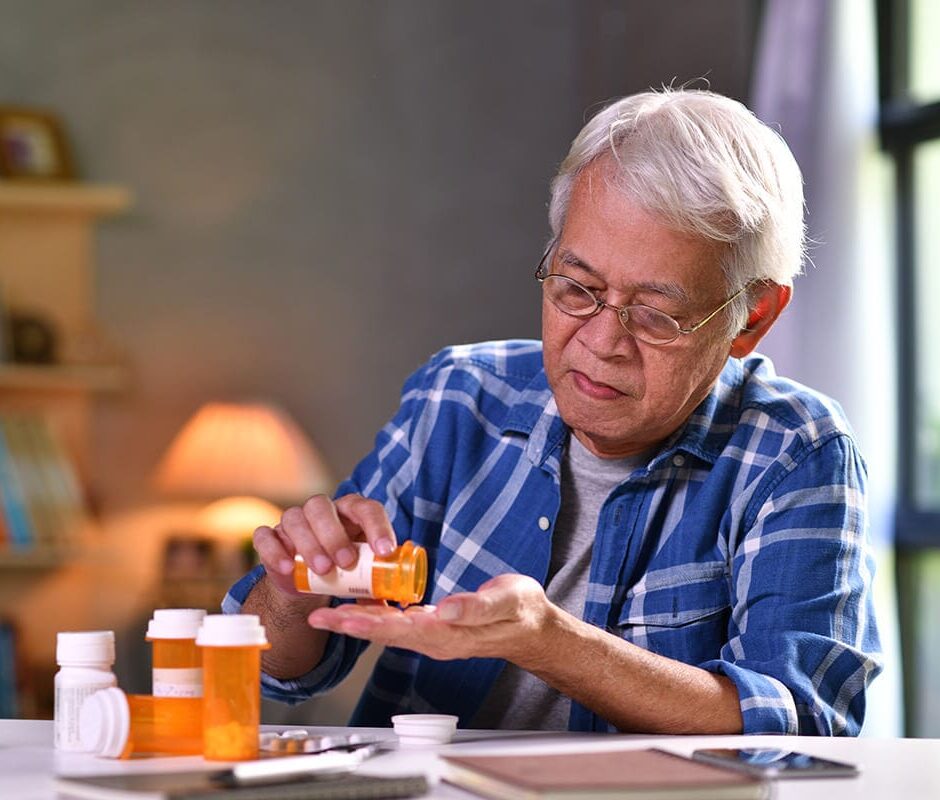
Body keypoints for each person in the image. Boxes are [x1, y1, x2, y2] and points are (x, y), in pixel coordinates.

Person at [225, 88, 882, 736]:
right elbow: (278, 669)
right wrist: (292, 589)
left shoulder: (795, 449)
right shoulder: (460, 398)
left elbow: (798, 720)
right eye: (577, 288)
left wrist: (549, 641)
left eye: (655, 314)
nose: (601, 343)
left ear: (752, 317)